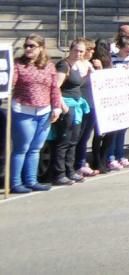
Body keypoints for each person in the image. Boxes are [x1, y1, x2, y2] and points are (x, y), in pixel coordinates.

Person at [9, 34, 64, 193]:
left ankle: (31, 180)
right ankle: (15, 182)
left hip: (44, 111)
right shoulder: (18, 64)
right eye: (26, 45)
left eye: (32, 46)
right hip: (23, 110)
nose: (28, 49)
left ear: (41, 48)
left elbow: (54, 88)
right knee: (22, 148)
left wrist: (56, 107)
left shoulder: (49, 66)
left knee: (35, 148)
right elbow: (10, 82)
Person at [46, 38, 93, 186]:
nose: (78, 53)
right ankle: (59, 174)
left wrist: (89, 75)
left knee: (73, 141)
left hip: (76, 105)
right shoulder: (63, 65)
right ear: (70, 50)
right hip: (67, 105)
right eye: (76, 50)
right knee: (63, 142)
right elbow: (56, 87)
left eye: (81, 51)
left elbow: (76, 84)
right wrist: (61, 105)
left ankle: (70, 170)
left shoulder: (77, 66)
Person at [101, 38, 129, 170]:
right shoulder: (112, 58)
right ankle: (111, 157)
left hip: (128, 97)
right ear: (120, 47)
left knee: (123, 130)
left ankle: (121, 156)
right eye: (127, 47)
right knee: (114, 129)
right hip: (115, 98)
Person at [72, 39, 100, 178]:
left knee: (85, 137)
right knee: (78, 136)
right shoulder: (76, 65)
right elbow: (78, 83)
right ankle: (76, 165)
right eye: (90, 50)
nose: (92, 52)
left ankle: (81, 162)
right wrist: (87, 75)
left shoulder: (89, 64)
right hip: (82, 103)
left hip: (92, 104)